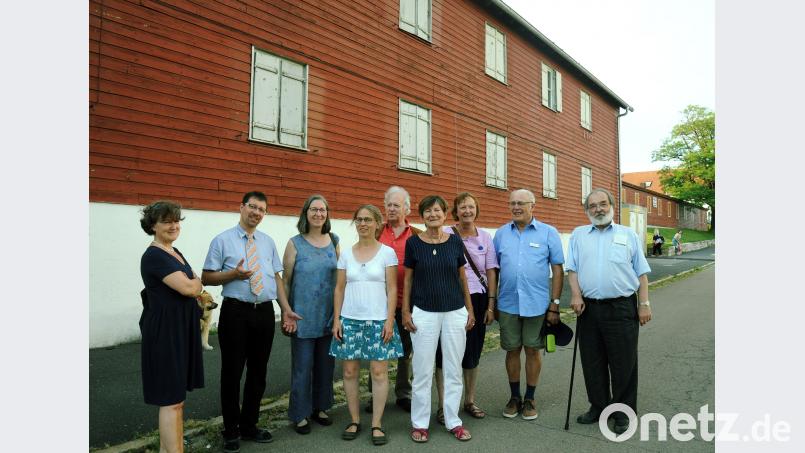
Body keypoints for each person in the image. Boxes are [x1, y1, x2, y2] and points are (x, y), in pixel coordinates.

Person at [202, 191, 301, 453]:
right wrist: (232, 275)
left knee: (258, 372)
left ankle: (249, 425)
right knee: (232, 373)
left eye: (262, 209)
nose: (256, 212)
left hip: (264, 312)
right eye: (253, 207)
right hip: (236, 312)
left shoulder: (267, 242)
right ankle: (231, 430)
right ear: (242, 207)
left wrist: (286, 309)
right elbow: (206, 277)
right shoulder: (222, 240)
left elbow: (276, 278)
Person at [566, 188, 652, 435]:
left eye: (602, 204)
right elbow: (572, 269)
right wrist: (575, 294)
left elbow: (641, 273)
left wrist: (644, 304)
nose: (598, 209)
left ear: (612, 206)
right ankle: (599, 406)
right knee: (592, 361)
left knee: (624, 362)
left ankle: (623, 412)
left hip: (622, 307)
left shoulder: (628, 234)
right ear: (587, 210)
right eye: (592, 206)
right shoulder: (579, 235)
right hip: (589, 308)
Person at [402, 195, 475, 443]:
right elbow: (408, 280)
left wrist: (469, 309)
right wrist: (406, 311)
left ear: (445, 214)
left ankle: (454, 421)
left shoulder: (455, 242)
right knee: (422, 370)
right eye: (428, 211)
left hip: (454, 311)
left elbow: (462, 278)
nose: (432, 215)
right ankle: (420, 423)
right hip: (424, 312)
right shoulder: (413, 243)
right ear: (422, 216)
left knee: (453, 369)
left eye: (437, 210)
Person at [330, 205, 404, 445]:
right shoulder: (345, 254)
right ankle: (354, 420)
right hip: (349, 320)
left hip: (378, 320)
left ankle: (377, 424)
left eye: (368, 220)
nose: (363, 224)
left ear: (377, 223)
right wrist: (337, 319)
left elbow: (392, 288)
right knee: (349, 372)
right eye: (359, 219)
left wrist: (390, 320)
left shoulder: (387, 253)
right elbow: (339, 288)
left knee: (379, 372)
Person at [492, 188, 564, 421]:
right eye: (512, 203)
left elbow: (557, 269)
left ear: (533, 206)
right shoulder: (501, 234)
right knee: (512, 349)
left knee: (533, 350)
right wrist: (492, 302)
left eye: (521, 203)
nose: (516, 207)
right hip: (508, 303)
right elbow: (493, 271)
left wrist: (554, 304)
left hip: (537, 304)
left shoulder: (548, 233)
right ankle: (515, 397)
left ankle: (530, 398)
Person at [139, 200, 204, 453]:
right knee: (171, 401)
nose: (173, 226)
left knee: (177, 401)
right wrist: (195, 283)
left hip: (180, 329)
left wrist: (195, 283)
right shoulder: (154, 256)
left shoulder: (173, 251)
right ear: (153, 226)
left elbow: (195, 283)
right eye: (166, 221)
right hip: (165, 333)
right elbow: (189, 287)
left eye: (176, 221)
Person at [434, 192, 499, 423]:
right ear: (455, 211)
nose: (467, 211)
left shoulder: (485, 237)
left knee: (472, 352)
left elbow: (490, 272)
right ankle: (443, 405)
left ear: (476, 210)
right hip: (450, 299)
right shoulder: (446, 233)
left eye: (471, 207)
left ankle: (469, 400)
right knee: (444, 353)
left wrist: (491, 305)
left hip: (478, 299)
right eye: (462, 207)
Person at [283, 195, 340, 434]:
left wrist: (339, 314)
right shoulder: (294, 243)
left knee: (326, 367)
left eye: (322, 210)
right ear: (305, 213)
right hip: (302, 317)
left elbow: (340, 280)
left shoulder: (334, 241)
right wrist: (285, 312)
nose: (318, 214)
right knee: (302, 368)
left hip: (328, 316)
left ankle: (320, 407)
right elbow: (286, 281)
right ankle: (299, 414)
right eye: (314, 209)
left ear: (327, 214)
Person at [366, 186, 422, 413]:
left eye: (396, 205)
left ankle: (403, 393)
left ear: (406, 209)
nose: (391, 209)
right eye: (388, 204)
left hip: (408, 302)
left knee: (405, 352)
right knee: (378, 350)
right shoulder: (376, 231)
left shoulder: (417, 234)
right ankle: (375, 395)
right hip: (379, 303)